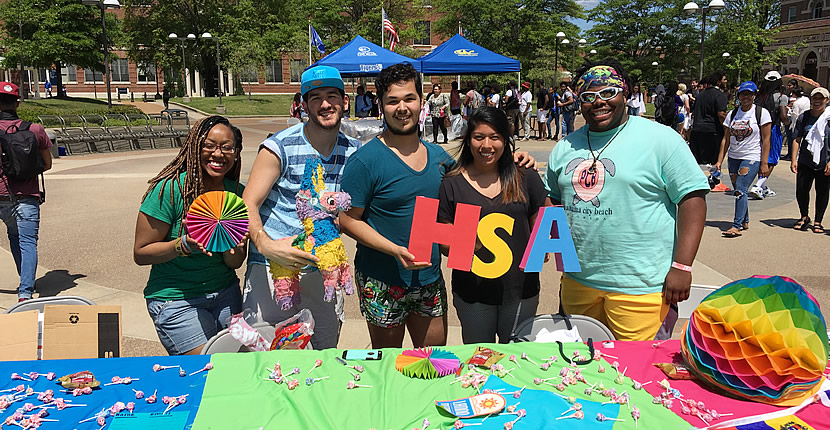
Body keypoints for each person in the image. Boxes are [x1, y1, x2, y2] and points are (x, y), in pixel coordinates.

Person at [340, 63, 536, 348]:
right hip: (382, 279)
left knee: (434, 363)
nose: (402, 107)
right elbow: (347, 220)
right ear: (381, 106)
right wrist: (393, 250)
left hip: (429, 279)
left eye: (409, 98)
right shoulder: (365, 161)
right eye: (393, 101)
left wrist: (518, 157)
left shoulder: (440, 159)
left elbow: (481, 172)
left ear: (422, 102)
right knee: (387, 367)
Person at [545, 60, 708, 341]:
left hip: (641, 288)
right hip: (578, 283)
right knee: (579, 370)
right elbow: (553, 200)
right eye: (588, 97)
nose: (599, 102)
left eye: (608, 93)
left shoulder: (661, 139)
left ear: (626, 93)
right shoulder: (565, 147)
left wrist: (682, 266)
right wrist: (546, 243)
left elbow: (692, 198)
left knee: (638, 376)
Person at [242, 66, 362, 350]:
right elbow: (248, 203)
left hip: (323, 268)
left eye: (332, 95)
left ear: (345, 102)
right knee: (268, 354)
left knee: (324, 354)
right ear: (303, 105)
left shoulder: (355, 152)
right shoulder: (278, 147)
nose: (325, 104)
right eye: (315, 97)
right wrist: (265, 244)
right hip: (274, 267)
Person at [133, 115, 247, 355]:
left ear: (236, 153)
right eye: (209, 145)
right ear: (194, 147)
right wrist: (181, 245)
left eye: (227, 147)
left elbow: (234, 262)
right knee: (210, 367)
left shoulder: (237, 193)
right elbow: (141, 253)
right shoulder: (170, 190)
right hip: (175, 300)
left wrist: (233, 243)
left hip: (226, 293)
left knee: (238, 365)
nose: (218, 154)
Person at [438, 107, 548, 343]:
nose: (486, 145)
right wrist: (468, 245)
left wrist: (545, 244)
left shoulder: (525, 175)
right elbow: (443, 239)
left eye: (495, 137)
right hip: (473, 293)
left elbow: (542, 215)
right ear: (468, 140)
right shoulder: (452, 183)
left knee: (519, 360)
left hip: (521, 290)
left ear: (505, 141)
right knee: (480, 363)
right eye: (478, 137)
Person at [0, 82, 52, 302]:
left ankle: (25, 278)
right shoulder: (35, 129)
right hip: (27, 195)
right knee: (27, 241)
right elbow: (47, 164)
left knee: (13, 235)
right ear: (17, 103)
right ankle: (25, 292)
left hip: (1, 195)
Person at [714, 81, 771, 238]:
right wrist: (719, 161)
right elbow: (725, 139)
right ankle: (745, 220)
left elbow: (766, 140)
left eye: (749, 94)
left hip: (752, 156)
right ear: (739, 96)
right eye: (743, 94)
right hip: (734, 157)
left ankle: (736, 225)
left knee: (740, 188)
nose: (746, 97)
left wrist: (764, 163)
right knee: (740, 190)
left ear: (754, 96)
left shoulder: (761, 113)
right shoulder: (732, 114)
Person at [790, 87, 830, 233]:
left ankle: (818, 220)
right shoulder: (804, 117)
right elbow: (797, 139)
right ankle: (804, 216)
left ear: (827, 100)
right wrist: (794, 159)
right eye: (815, 98)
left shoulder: (828, 117)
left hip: (824, 161)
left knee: (823, 191)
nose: (817, 101)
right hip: (806, 160)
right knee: (801, 189)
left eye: (821, 98)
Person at [748, 71, 790, 199]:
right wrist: (789, 121)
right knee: (772, 159)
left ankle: (764, 187)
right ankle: (759, 185)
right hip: (773, 129)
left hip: (758, 129)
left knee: (761, 156)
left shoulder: (759, 97)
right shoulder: (781, 97)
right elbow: (783, 116)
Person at [690, 71, 729, 165]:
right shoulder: (720, 95)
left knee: (698, 164)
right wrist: (727, 130)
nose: (726, 81)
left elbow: (694, 113)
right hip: (712, 133)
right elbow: (721, 114)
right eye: (724, 79)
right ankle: (713, 179)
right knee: (714, 164)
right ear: (719, 82)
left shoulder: (700, 95)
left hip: (696, 132)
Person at [785, 83, 810, 161]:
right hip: (806, 120)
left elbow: (795, 115)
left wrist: (789, 110)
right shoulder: (806, 99)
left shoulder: (796, 103)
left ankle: (792, 155)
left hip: (797, 121)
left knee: (793, 139)